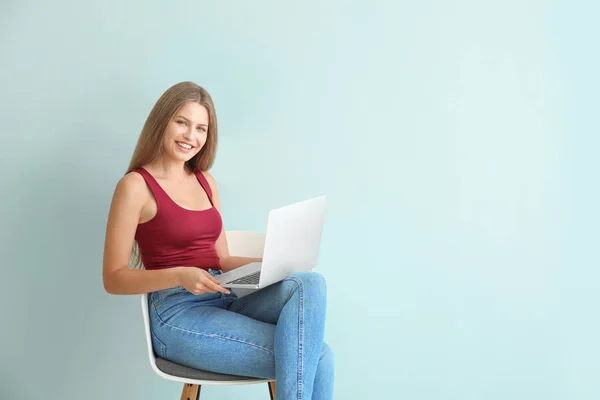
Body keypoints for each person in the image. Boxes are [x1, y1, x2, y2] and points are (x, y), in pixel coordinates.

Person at [102, 81, 334, 399]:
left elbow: (222, 260)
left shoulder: (206, 181)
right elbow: (113, 279)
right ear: (162, 122)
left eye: (201, 128)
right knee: (317, 357)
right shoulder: (135, 186)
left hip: (225, 294)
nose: (190, 136)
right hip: (178, 313)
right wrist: (181, 275)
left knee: (310, 283)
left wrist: (273, 264)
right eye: (182, 122)